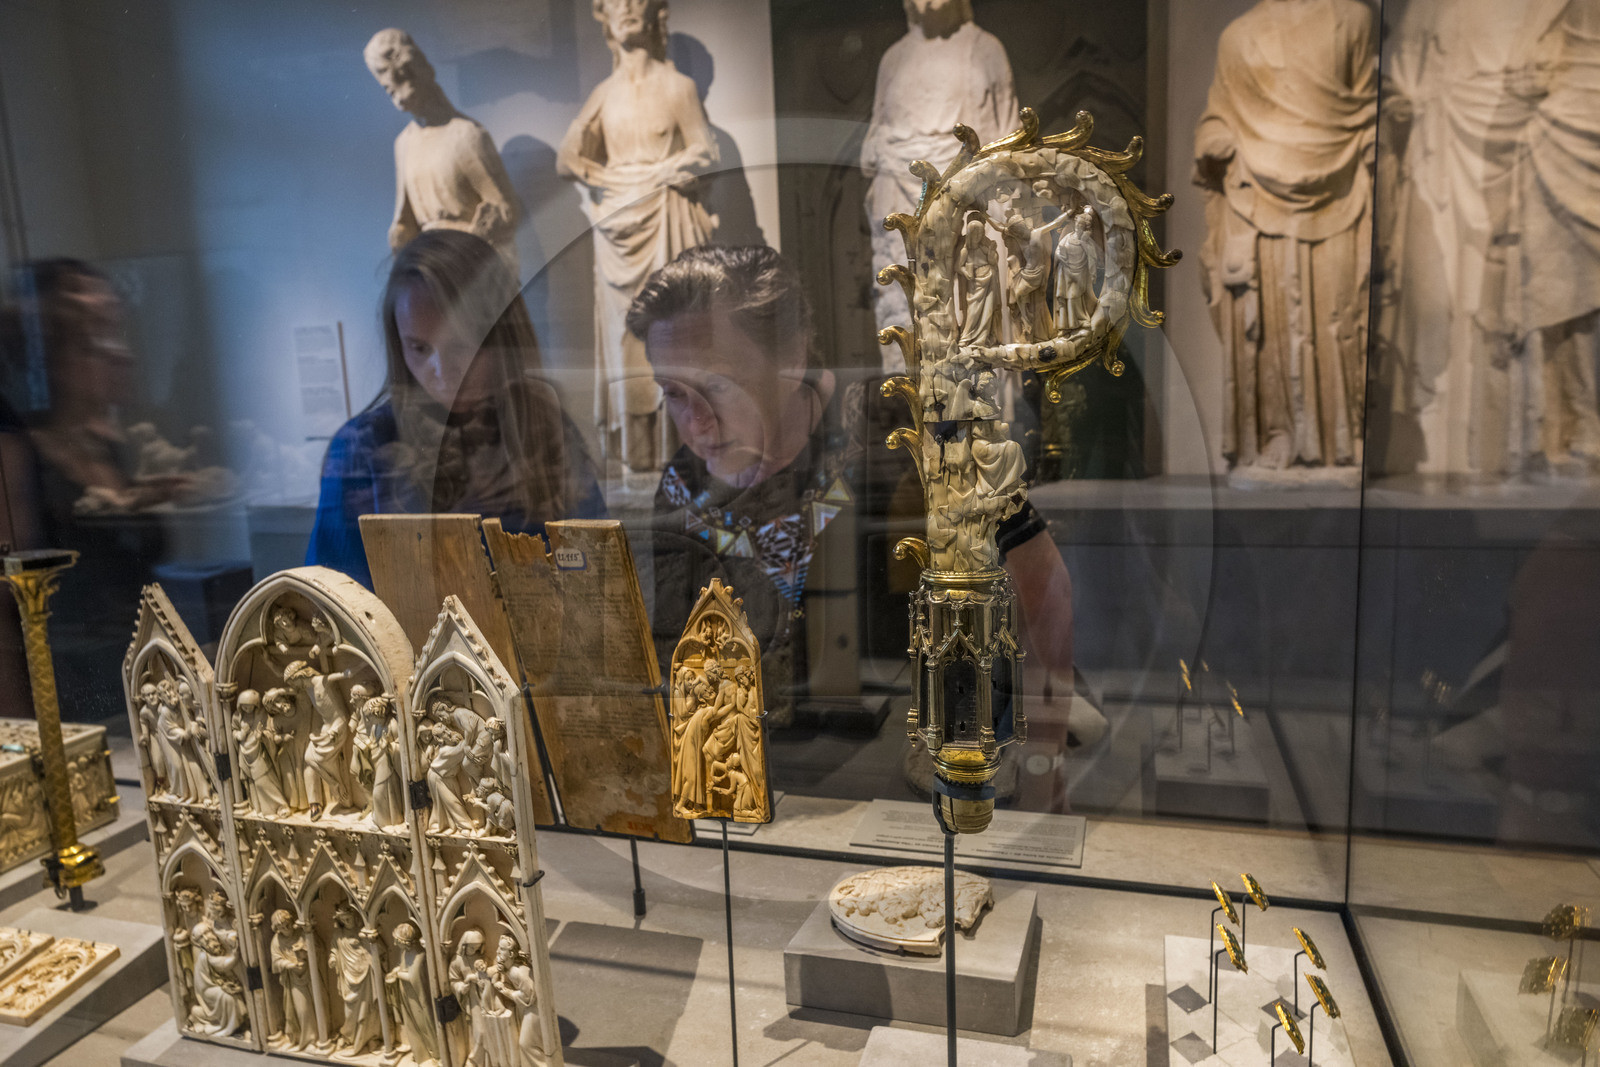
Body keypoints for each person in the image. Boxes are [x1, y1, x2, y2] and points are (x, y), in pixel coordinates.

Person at [630, 245, 1097, 801]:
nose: (696, 423)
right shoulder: (686, 479)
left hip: (936, 765)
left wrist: (1046, 773)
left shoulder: (904, 421)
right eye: (674, 395)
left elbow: (1044, 584)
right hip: (779, 779)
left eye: (719, 386)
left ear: (793, 355)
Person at [307, 230, 604, 588]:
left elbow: (599, 575)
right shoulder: (363, 448)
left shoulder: (544, 426)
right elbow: (333, 610)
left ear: (502, 339)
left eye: (463, 345)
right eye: (418, 348)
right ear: (397, 342)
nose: (441, 371)